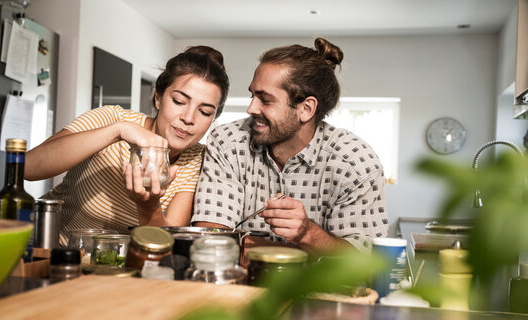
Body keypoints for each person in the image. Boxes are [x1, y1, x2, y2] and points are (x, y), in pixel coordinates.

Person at [192, 38, 388, 254]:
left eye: (265, 100)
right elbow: (211, 240)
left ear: (306, 109)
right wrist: (304, 255)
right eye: (252, 95)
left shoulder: (355, 162)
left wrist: (307, 234)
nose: (250, 108)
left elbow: (363, 261)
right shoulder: (227, 141)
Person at [25, 46, 229, 245]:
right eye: (179, 101)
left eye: (205, 112)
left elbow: (168, 244)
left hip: (113, 267)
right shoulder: (112, 118)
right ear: (158, 98)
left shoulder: (198, 160)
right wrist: (117, 130)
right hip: (45, 247)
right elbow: (28, 167)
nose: (189, 118)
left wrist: (148, 206)